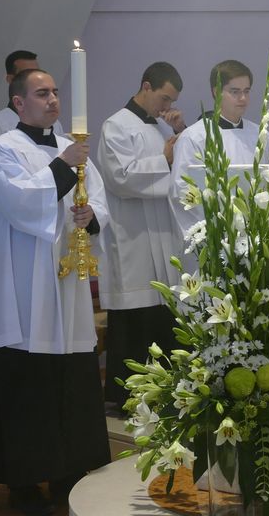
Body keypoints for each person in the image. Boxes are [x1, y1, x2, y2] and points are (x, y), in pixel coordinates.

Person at [0, 68, 111, 515]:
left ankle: (68, 470)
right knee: (27, 377)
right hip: (23, 283)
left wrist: (91, 215)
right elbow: (21, 203)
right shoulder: (3, 149)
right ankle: (22, 478)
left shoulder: (72, 148)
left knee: (70, 371)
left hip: (66, 283)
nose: (53, 99)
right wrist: (64, 164)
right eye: (42, 93)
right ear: (19, 103)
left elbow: (99, 199)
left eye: (55, 92)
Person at [96, 61, 186, 406]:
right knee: (136, 318)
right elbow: (119, 177)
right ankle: (126, 396)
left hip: (163, 234)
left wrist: (181, 132)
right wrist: (164, 159)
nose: (167, 106)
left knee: (164, 316)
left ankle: (166, 394)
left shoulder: (162, 127)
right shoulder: (116, 125)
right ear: (146, 86)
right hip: (132, 236)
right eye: (165, 98)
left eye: (172, 101)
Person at [0, 50, 64, 266]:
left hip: (54, 221)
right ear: (11, 80)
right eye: (25, 73)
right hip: (15, 226)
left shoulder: (55, 125)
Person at [170, 60, 269, 236]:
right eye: (235, 92)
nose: (243, 98)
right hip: (215, 234)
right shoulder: (194, 137)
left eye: (246, 91)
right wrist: (215, 230)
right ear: (216, 92)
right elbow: (182, 191)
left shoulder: (260, 134)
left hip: (255, 233)